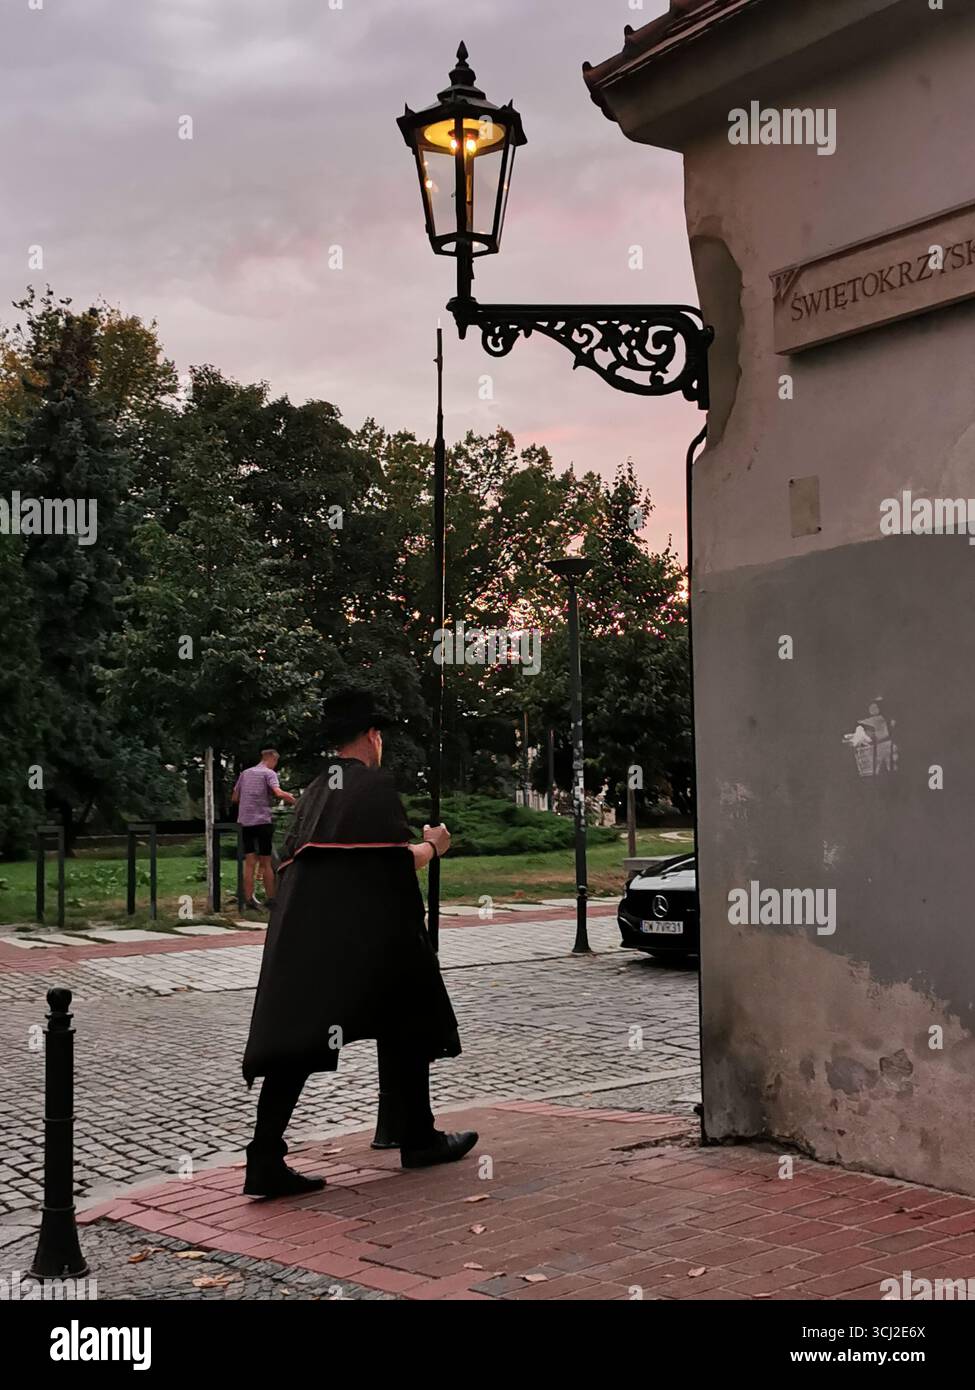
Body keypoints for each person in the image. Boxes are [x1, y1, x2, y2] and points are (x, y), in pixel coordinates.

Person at [240, 688, 476, 1198]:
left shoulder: (314, 791)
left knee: (299, 1043)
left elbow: (303, 861)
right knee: (410, 1016)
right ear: (373, 736)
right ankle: (418, 1139)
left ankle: (264, 1156)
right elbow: (390, 861)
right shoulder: (370, 784)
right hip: (370, 941)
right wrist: (434, 845)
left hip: (308, 940)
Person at [232, 749, 296, 911]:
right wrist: (294, 800)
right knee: (266, 862)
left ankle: (248, 899)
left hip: (245, 822)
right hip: (262, 821)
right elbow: (277, 792)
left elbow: (235, 797)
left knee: (249, 862)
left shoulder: (245, 774)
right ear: (273, 760)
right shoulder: (269, 773)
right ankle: (271, 899)